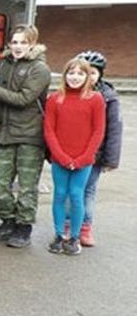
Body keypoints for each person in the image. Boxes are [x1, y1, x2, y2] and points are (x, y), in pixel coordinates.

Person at [0, 24, 51, 249]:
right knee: (0, 183)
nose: (18, 46)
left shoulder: (39, 69)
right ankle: (7, 221)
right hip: (5, 134)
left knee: (27, 186)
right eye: (14, 42)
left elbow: (23, 99)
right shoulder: (4, 64)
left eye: (23, 42)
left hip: (29, 136)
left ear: (32, 44)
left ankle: (24, 227)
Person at [43, 58, 106, 255]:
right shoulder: (55, 98)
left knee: (77, 195)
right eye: (71, 73)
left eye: (80, 73)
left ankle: (74, 237)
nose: (75, 77)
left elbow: (98, 131)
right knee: (60, 194)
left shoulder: (95, 99)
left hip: (83, 160)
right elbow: (49, 130)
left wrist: (84, 158)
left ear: (87, 77)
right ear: (65, 75)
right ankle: (59, 234)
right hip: (60, 158)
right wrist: (60, 156)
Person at [75, 50, 123, 247]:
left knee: (87, 191)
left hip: (95, 154)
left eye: (93, 73)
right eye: (84, 72)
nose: (89, 77)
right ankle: (69, 225)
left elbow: (115, 129)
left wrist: (111, 159)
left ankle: (85, 228)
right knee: (71, 191)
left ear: (100, 75)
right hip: (72, 152)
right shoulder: (70, 93)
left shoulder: (108, 97)